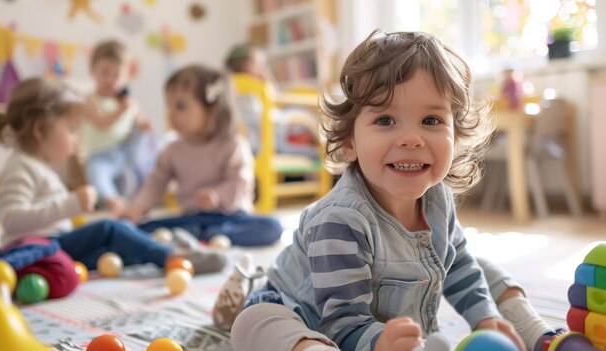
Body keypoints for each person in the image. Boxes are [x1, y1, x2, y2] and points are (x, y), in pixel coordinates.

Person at [230, 31, 560, 351]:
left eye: (431, 120)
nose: (411, 139)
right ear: (350, 142)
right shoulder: (340, 220)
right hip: (311, 320)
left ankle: (529, 328)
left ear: (455, 137)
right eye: (386, 120)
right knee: (254, 321)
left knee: (477, 264)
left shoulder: (438, 200)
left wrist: (484, 317)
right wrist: (378, 341)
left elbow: (458, 265)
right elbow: (342, 321)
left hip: (383, 329)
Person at [0, 77, 226, 300]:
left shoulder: (39, 166)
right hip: (33, 248)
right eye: (71, 130)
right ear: (39, 129)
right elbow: (11, 219)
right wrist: (69, 205)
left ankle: (155, 248)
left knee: (114, 245)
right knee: (109, 228)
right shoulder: (20, 167)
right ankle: (171, 257)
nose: (77, 139)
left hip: (54, 245)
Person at [122, 65, 283, 247]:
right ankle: (201, 237)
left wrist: (217, 195)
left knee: (272, 227)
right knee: (140, 229)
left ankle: (212, 237)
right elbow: (155, 184)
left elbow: (241, 183)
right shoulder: (172, 149)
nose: (170, 114)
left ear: (210, 111)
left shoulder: (233, 145)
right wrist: (136, 209)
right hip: (191, 219)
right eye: (169, 105)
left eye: (180, 106)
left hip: (231, 218)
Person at [83, 39, 153, 215]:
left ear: (127, 77)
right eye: (105, 73)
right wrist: (123, 110)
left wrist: (144, 125)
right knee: (96, 174)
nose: (110, 80)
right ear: (93, 71)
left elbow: (140, 122)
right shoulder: (91, 100)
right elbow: (101, 124)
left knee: (142, 156)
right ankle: (111, 199)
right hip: (101, 155)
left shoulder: (129, 102)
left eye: (117, 75)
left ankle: (143, 199)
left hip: (126, 154)